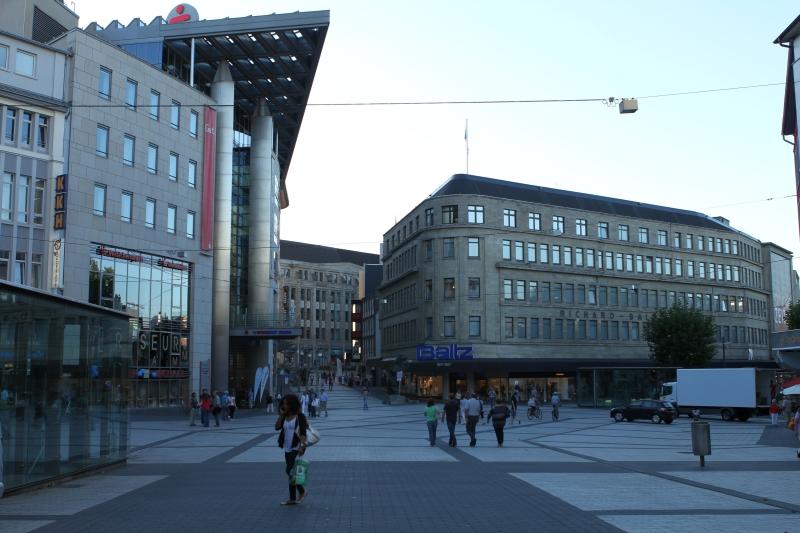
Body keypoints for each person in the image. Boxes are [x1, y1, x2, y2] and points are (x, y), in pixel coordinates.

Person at [275, 394, 308, 505]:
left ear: (292, 404)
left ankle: (300, 493)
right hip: (287, 447)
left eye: (286, 403)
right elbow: (277, 427)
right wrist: (281, 415)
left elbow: (303, 433)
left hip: (296, 447)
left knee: (290, 471)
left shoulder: (300, 416)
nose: (284, 405)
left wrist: (302, 447)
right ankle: (295, 496)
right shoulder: (285, 416)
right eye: (283, 403)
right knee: (290, 472)